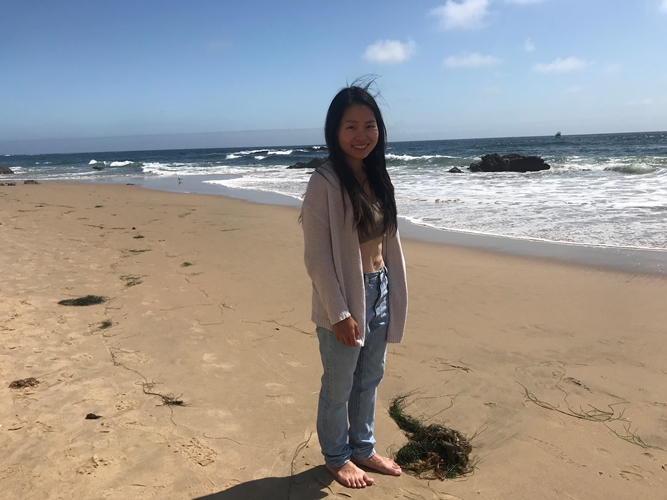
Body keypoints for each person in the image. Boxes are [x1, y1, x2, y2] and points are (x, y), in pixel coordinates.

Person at [300, 83, 408, 489]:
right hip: (345, 295)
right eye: (351, 126)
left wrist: (391, 292)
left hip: (380, 289)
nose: (361, 135)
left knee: (369, 378)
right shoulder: (325, 181)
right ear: (335, 131)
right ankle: (336, 457)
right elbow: (316, 258)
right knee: (339, 384)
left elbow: (386, 240)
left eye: (369, 125)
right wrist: (340, 313)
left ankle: (362, 448)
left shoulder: (377, 174)